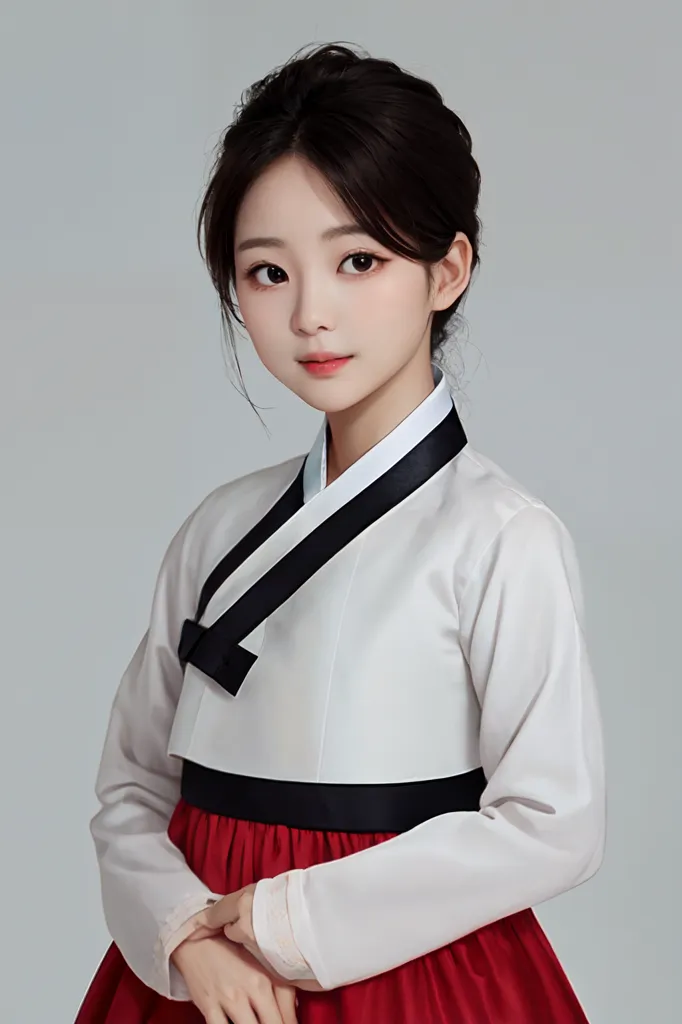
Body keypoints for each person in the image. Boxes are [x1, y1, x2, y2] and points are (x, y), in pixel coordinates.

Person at [75, 41, 605, 1024]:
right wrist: (187, 937)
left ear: (446, 270)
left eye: (358, 260)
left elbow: (552, 823)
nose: (312, 314)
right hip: (205, 972)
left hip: (410, 970)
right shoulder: (217, 527)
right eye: (267, 273)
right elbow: (131, 788)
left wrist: (286, 920)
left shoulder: (502, 536)